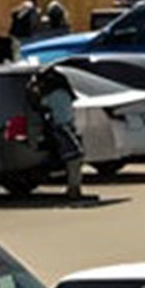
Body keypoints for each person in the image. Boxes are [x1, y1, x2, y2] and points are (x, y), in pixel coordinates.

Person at [33, 68, 84, 201]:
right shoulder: (66, 94)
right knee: (75, 159)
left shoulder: (50, 96)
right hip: (69, 127)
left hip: (60, 128)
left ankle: (73, 189)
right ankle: (74, 188)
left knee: (73, 158)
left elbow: (39, 104)